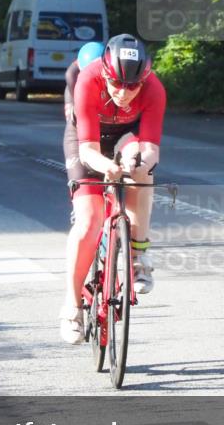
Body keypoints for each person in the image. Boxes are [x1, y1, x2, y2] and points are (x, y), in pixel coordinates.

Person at [60, 34, 166, 344]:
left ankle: (139, 256)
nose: (124, 92)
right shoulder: (87, 81)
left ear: (143, 78)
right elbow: (88, 149)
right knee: (89, 221)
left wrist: (138, 164)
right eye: (117, 84)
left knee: (142, 175)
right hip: (88, 140)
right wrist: (107, 166)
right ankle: (72, 306)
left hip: (126, 135)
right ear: (105, 73)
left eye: (132, 86)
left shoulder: (154, 89)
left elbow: (151, 149)